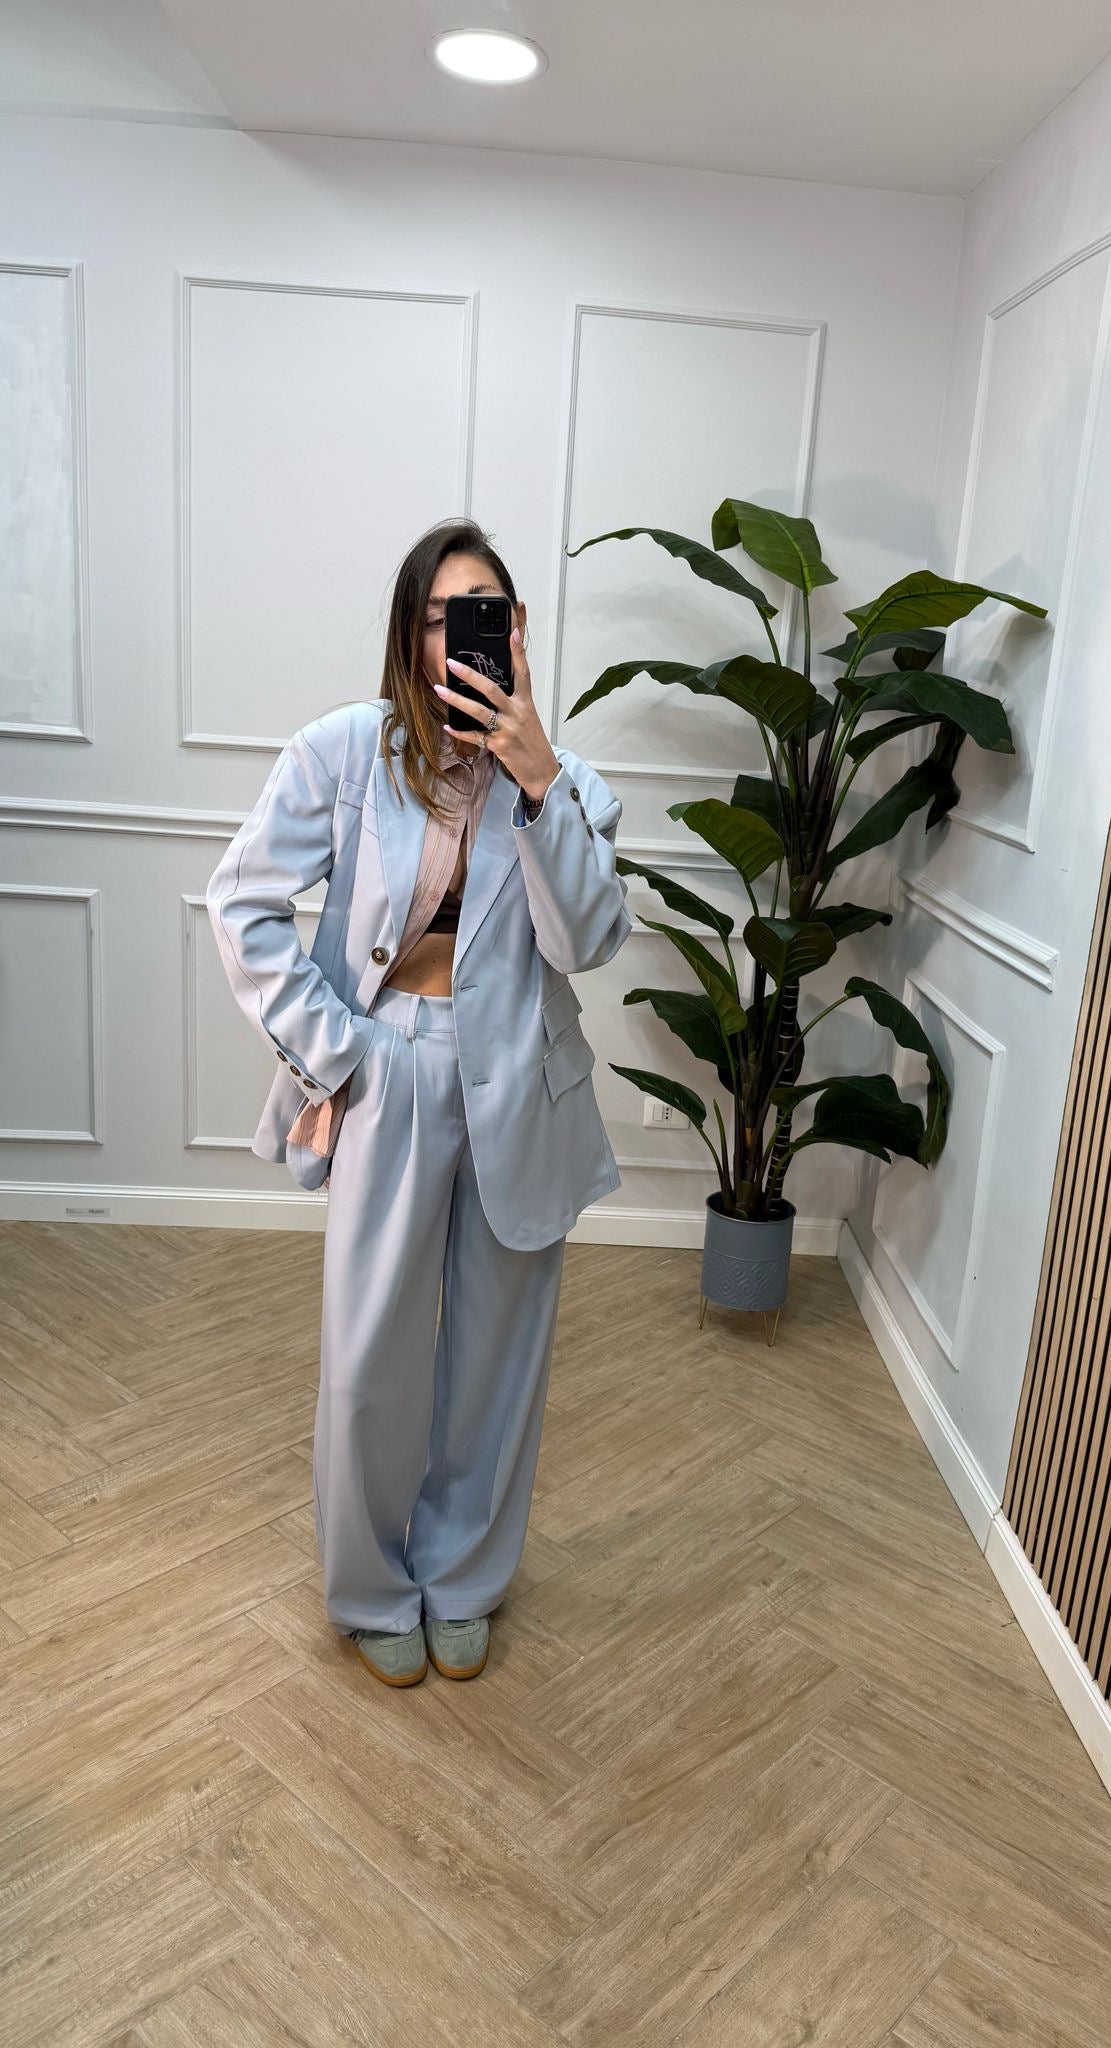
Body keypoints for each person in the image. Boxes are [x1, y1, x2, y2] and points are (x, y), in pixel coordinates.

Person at [205, 517, 631, 1689]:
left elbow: (587, 940)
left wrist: (536, 780)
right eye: (443, 617)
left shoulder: (572, 786)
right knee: (370, 1354)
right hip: (388, 1066)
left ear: (518, 630)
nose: (463, 636)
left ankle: (465, 1576)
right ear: (410, 633)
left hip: (520, 1079)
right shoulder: (345, 752)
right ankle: (371, 1585)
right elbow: (240, 900)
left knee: (497, 1356)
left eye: (484, 613)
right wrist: (338, 1049)